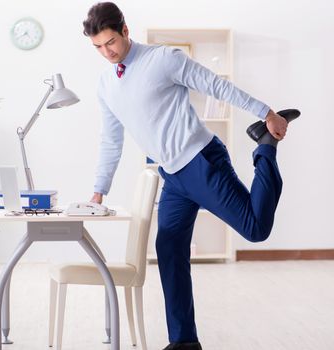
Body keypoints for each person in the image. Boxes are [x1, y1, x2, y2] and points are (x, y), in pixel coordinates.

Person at [83, 2, 300, 350]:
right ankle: (184, 342)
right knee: (168, 248)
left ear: (125, 30)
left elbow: (216, 86)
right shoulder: (106, 85)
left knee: (256, 229)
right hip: (173, 176)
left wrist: (267, 112)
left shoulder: (162, 59)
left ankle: (265, 147)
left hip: (201, 162)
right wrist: (98, 192)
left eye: (110, 42)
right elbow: (111, 140)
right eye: (97, 47)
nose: (106, 52)